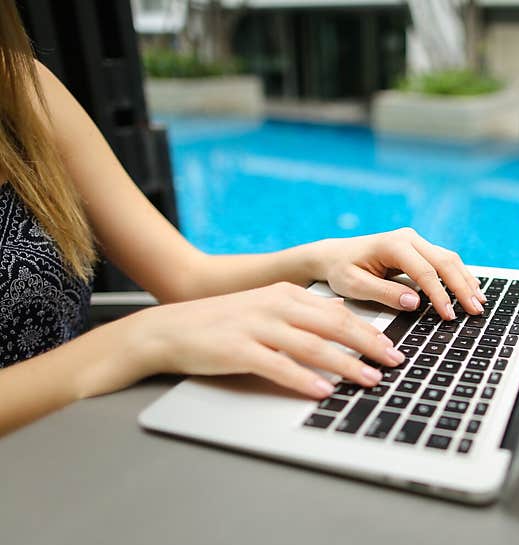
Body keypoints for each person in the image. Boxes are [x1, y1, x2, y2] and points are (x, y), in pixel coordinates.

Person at [0, 1, 486, 435]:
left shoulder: (20, 86)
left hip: (86, 431)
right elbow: (146, 330)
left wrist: (322, 258)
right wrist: (136, 339)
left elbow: (185, 276)